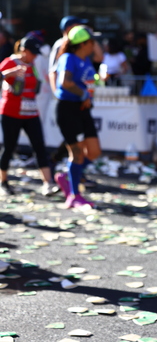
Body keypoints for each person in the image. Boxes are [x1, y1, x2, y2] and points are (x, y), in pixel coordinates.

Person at [0, 36, 58, 196]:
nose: (35, 56)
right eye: (33, 53)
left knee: (39, 146)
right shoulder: (10, 62)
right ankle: (3, 181)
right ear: (24, 51)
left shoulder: (32, 65)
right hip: (11, 112)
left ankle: (48, 183)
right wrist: (8, 74)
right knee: (9, 147)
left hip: (31, 112)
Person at [53, 25, 102, 208]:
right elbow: (65, 82)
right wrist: (83, 94)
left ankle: (68, 175)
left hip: (83, 110)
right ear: (83, 44)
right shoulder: (68, 58)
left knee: (94, 152)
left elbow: (99, 57)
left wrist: (87, 95)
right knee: (78, 153)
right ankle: (74, 196)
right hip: (68, 109)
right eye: (92, 41)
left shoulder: (87, 59)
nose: (95, 44)